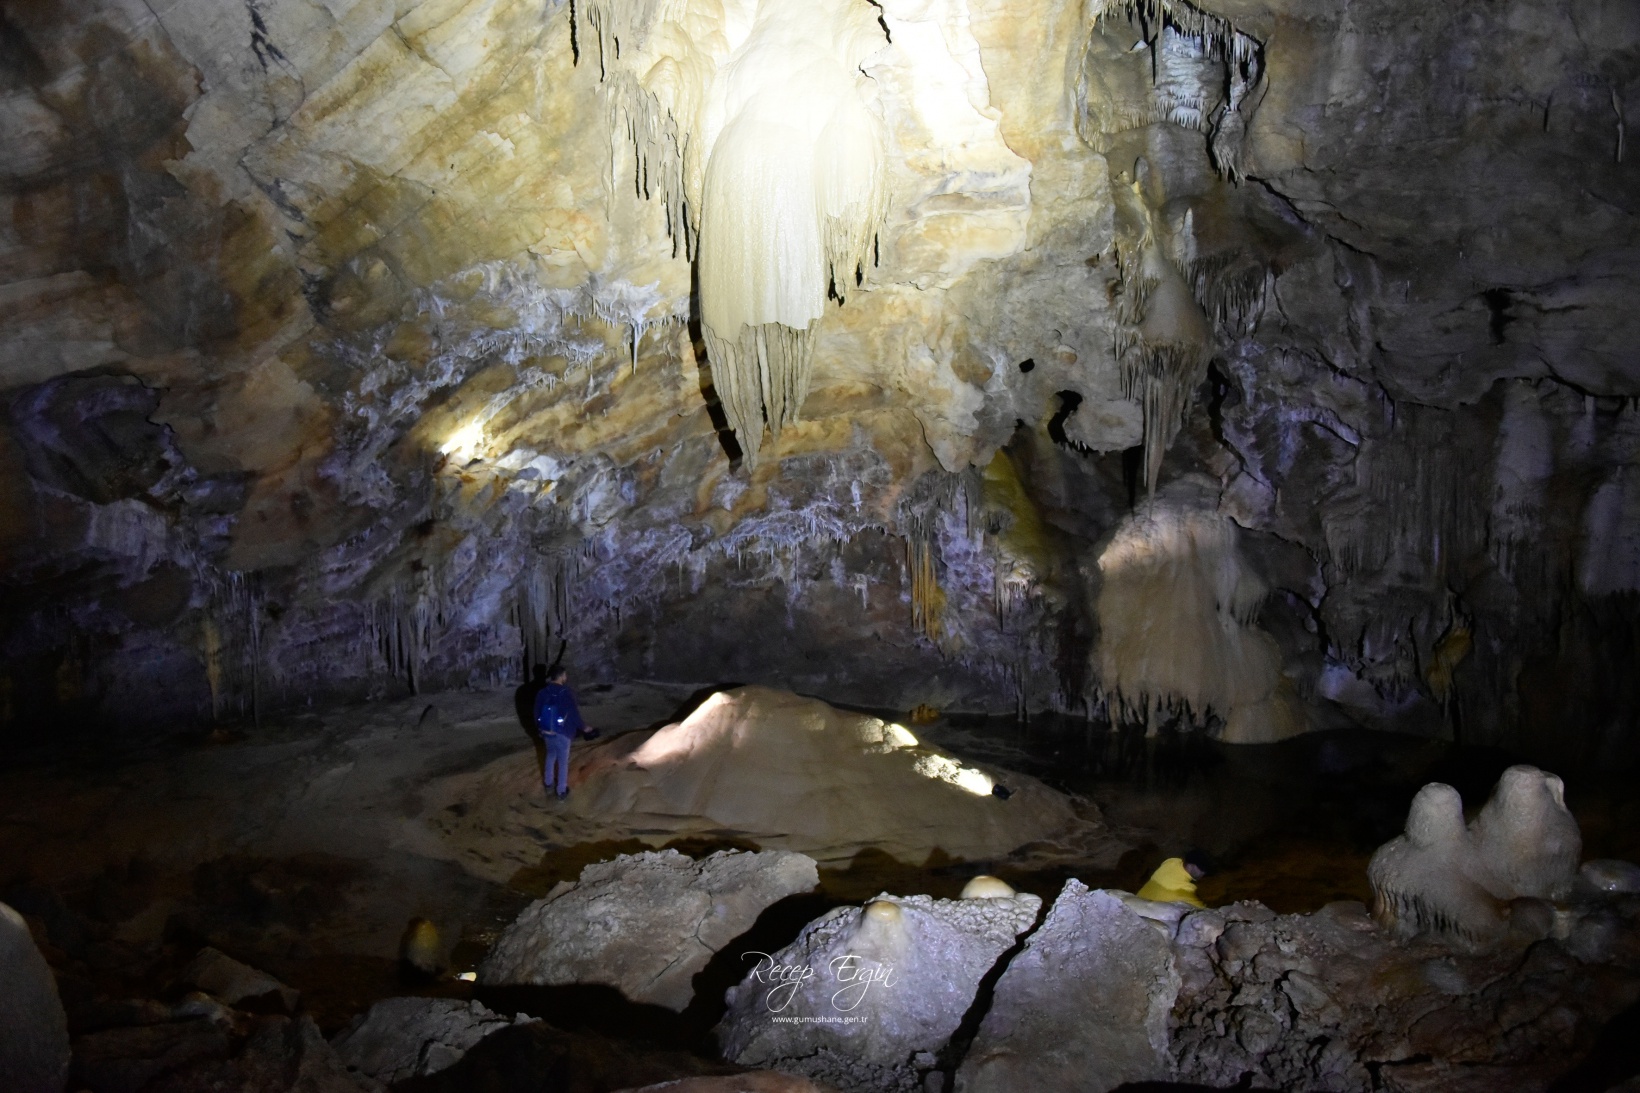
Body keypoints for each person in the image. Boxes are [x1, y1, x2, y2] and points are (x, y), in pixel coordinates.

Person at [533, 667, 592, 799]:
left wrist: (540, 728)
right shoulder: (566, 692)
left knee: (550, 755)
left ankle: (548, 784)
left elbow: (536, 713)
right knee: (563, 761)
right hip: (562, 731)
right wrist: (584, 727)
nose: (566, 677)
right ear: (561, 676)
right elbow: (573, 714)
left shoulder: (542, 693)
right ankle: (561, 791)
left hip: (546, 730)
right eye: (565, 674)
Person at [1136, 850, 1210, 907]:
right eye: (1202, 870)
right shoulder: (1187, 890)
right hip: (1144, 919)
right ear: (1191, 866)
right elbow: (1204, 910)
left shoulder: (1171, 862)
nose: (1203, 873)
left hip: (1135, 902)